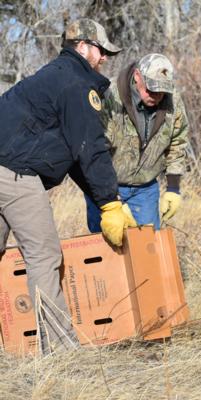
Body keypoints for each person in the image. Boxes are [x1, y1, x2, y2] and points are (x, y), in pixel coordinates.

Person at [0, 18, 136, 354]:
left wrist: (107, 200)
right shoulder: (77, 85)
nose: (105, 57)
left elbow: (74, 156)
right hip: (14, 174)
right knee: (44, 256)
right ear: (83, 45)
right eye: (101, 50)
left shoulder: (53, 75)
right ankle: (62, 353)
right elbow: (90, 147)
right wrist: (110, 203)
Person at [84, 53, 189, 232]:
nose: (156, 96)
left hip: (145, 190)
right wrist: (110, 198)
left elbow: (177, 142)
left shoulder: (173, 101)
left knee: (147, 248)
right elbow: (93, 148)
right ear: (137, 76)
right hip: (105, 187)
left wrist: (173, 187)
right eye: (151, 89)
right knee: (107, 246)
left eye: (161, 91)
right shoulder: (108, 95)